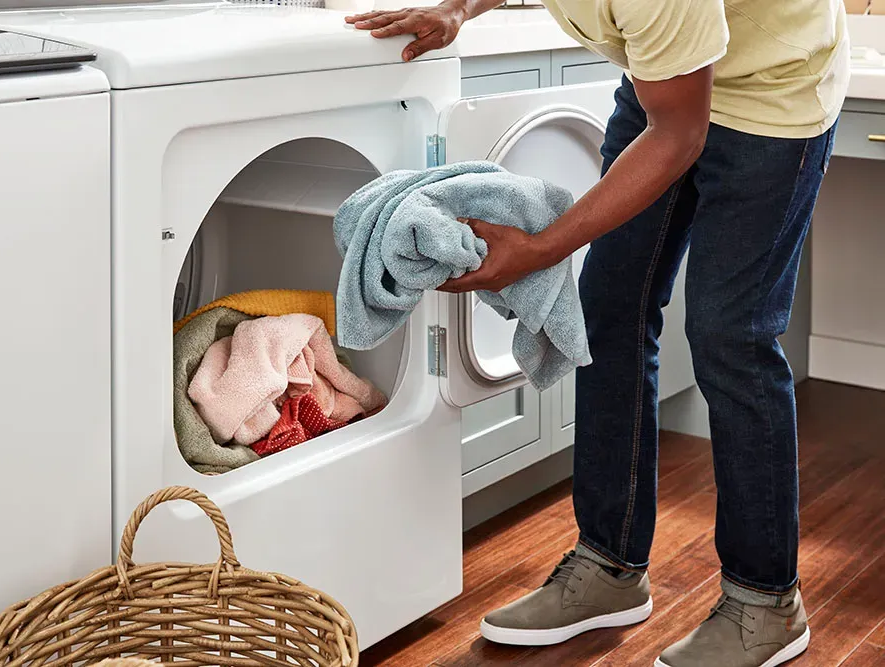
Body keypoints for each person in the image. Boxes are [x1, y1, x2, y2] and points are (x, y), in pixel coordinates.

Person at [348, 1, 849, 666]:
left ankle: (766, 601)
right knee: (610, 308)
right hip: (665, 81)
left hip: (771, 94)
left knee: (731, 337)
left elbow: (680, 134)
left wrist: (542, 247)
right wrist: (460, 9)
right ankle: (610, 565)